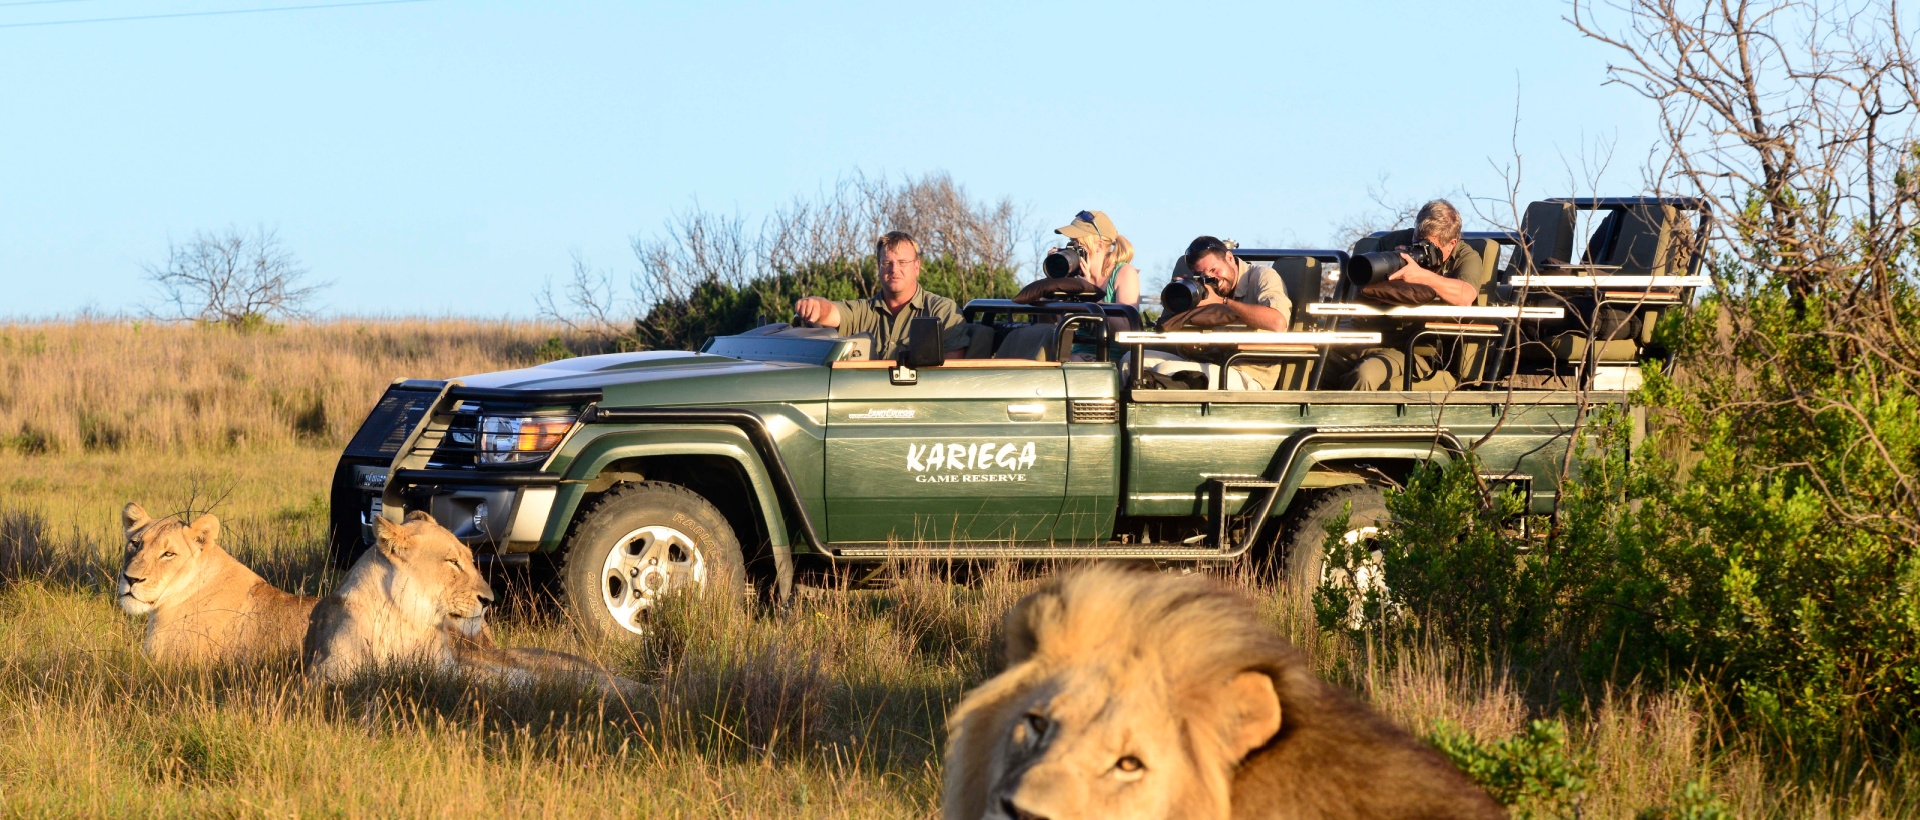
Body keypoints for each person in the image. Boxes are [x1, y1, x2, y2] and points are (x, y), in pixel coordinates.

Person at [1339, 199, 1488, 391]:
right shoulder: (1391, 243)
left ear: (1452, 243)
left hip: (1415, 348)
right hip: (1367, 336)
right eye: (1417, 242)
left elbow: (1465, 295)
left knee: (1364, 375)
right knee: (1315, 365)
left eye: (1429, 248)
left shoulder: (1465, 257)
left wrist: (1422, 276)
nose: (1420, 251)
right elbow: (1362, 285)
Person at [1142, 236, 1293, 390]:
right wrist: (1184, 297)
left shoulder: (1262, 275)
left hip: (1246, 372)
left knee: (1166, 371)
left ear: (1229, 258)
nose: (1211, 278)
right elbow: (1181, 337)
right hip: (1208, 361)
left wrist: (1222, 302)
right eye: (1202, 275)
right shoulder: (1205, 288)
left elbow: (1278, 322)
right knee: (1132, 361)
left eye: (1214, 270)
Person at [793, 231, 971, 360]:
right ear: (878, 267)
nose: (894, 269)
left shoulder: (943, 311)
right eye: (887, 262)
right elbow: (831, 312)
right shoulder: (862, 312)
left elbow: (950, 375)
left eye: (902, 262)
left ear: (916, 267)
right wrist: (814, 305)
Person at [1051, 210, 1141, 306]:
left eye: (1078, 243)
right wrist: (1055, 275)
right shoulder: (1074, 276)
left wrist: (1088, 292)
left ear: (1099, 246)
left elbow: (1126, 321)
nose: (1072, 247)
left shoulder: (1124, 273)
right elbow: (1057, 319)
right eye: (1071, 241)